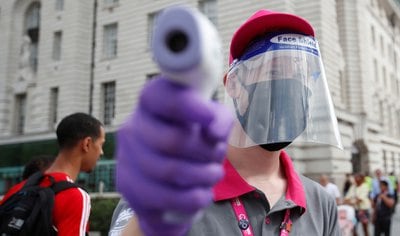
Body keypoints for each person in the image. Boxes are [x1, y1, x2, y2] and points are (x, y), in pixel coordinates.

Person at [115, 8, 343, 236]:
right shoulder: (177, 186)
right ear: (233, 85)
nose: (288, 86)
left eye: (298, 76)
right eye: (273, 71)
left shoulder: (320, 203)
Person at [0, 112, 105, 236]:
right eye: (101, 144)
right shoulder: (75, 196)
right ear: (87, 144)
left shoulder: (17, 190)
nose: (101, 152)